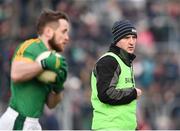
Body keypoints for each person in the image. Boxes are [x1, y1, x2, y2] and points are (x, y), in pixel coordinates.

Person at [0, 9, 70, 130]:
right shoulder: (31, 46)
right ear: (48, 32)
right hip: (18, 120)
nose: (67, 37)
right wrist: (43, 64)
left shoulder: (54, 59)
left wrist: (58, 87)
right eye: (63, 32)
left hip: (33, 123)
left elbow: (51, 104)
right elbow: (16, 74)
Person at [91, 20, 142, 130]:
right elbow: (106, 94)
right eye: (126, 38)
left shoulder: (125, 62)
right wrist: (133, 93)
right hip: (109, 127)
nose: (131, 42)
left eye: (134, 37)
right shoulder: (109, 61)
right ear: (117, 40)